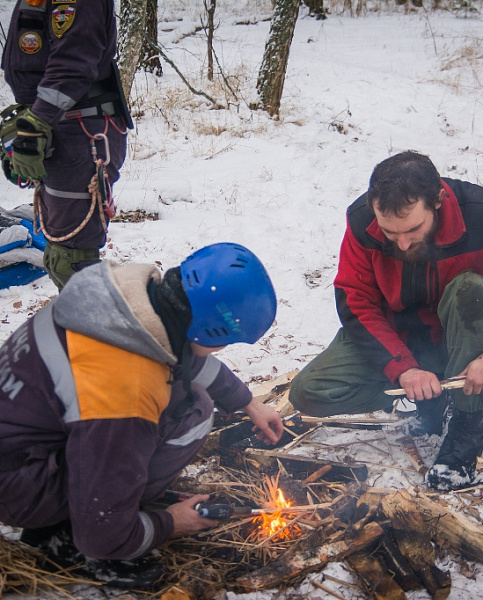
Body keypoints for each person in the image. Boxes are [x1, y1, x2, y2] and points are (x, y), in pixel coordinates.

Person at [289, 151, 483, 491]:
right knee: (309, 392)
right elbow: (356, 300)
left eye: (413, 229)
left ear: (439, 201)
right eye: (390, 232)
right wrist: (403, 368)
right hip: (403, 338)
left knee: (470, 290)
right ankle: (430, 398)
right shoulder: (362, 222)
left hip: (471, 331)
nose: (402, 243)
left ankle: (466, 427)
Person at [0, 242, 284, 588]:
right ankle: (70, 538)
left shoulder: (125, 299)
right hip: (15, 488)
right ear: (212, 332)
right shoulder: (127, 389)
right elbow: (102, 530)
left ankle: (99, 502)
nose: (223, 349)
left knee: (191, 402)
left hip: (22, 446)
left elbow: (182, 357)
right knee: (193, 415)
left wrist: (248, 403)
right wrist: (170, 523)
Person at [1, 0, 132, 290]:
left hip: (80, 131)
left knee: (71, 258)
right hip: (60, 127)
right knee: (59, 253)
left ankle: (98, 331)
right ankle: (79, 329)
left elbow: (74, 61)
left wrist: (37, 120)